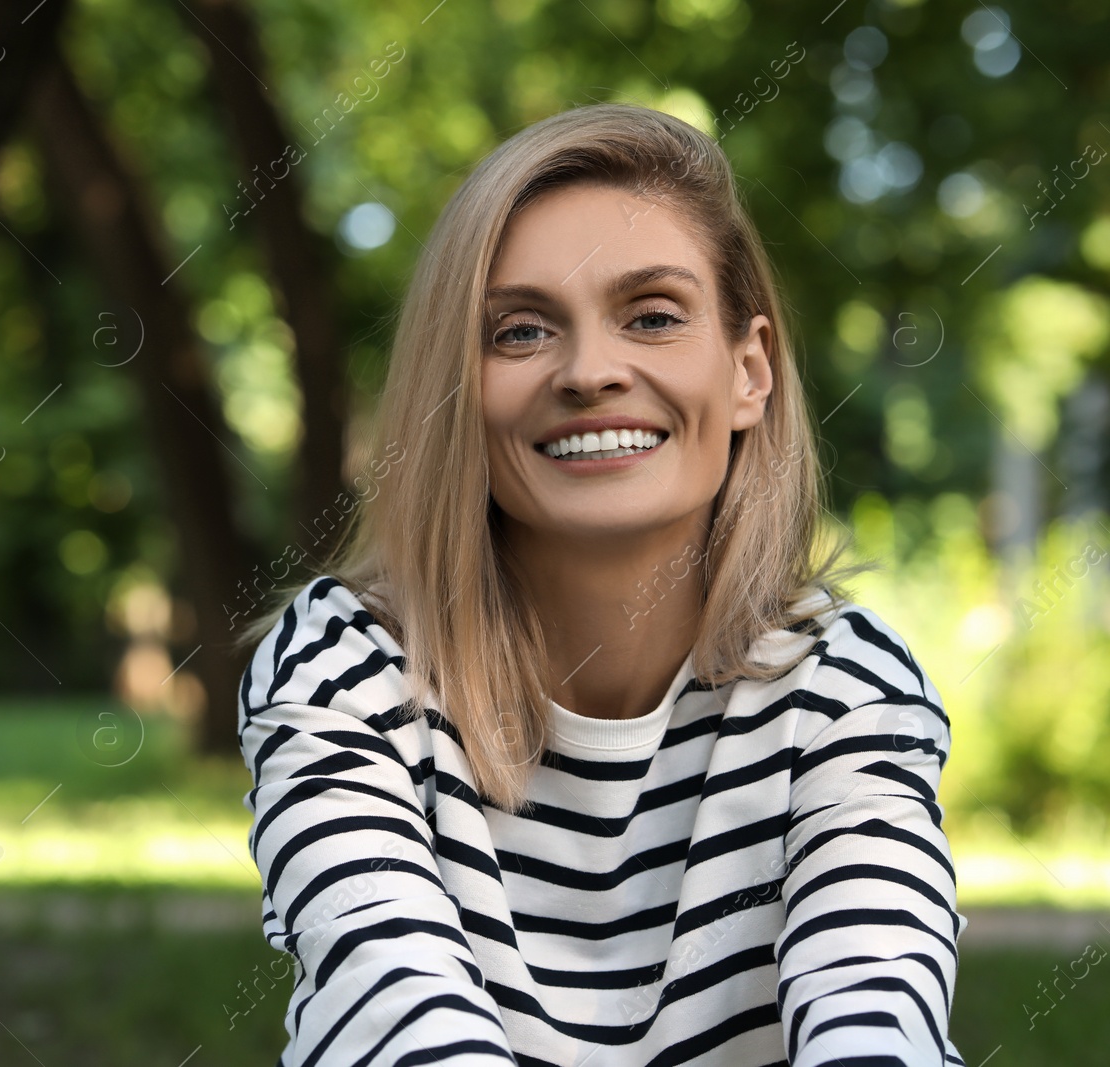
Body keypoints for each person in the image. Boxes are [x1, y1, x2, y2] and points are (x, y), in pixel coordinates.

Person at [230, 103, 965, 1066]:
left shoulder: (846, 688)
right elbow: (399, 1015)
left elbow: (877, 1013)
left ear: (750, 371)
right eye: (522, 332)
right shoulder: (345, 671)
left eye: (652, 316)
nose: (589, 372)